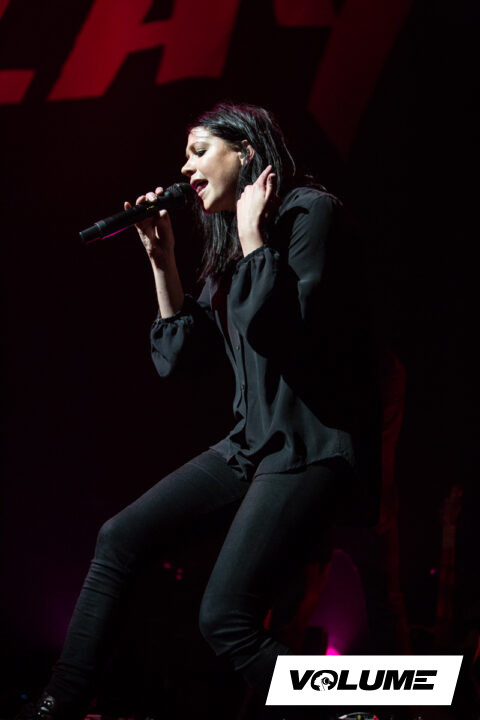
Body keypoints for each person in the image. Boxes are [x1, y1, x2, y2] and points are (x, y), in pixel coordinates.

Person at [16, 103, 381, 719]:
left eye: (198, 151)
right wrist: (163, 262)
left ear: (245, 152)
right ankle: (60, 703)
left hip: (307, 443)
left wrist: (254, 238)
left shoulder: (309, 213)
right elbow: (180, 361)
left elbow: (279, 327)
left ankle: (364, 705)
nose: (185, 169)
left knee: (225, 617)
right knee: (120, 537)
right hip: (251, 443)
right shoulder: (234, 242)